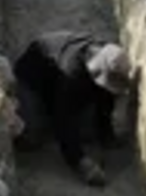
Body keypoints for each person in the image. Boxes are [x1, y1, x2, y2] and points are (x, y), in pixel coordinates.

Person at [11, 32, 134, 187]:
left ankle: (52, 110)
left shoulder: (110, 57)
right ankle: (38, 113)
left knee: (87, 133)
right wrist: (82, 163)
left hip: (58, 80)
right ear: (97, 72)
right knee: (32, 138)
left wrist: (106, 135)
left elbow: (107, 97)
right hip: (31, 79)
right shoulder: (72, 73)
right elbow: (63, 118)